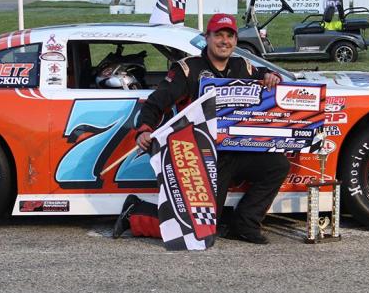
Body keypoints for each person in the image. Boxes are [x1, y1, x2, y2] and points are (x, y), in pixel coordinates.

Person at [112, 13, 290, 244]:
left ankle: (244, 223)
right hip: (203, 157)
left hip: (239, 150)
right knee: (202, 227)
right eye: (218, 35)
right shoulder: (188, 69)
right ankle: (136, 213)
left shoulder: (243, 66)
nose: (224, 41)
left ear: (235, 41)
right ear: (207, 37)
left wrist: (272, 76)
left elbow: (266, 77)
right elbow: (156, 102)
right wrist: (144, 130)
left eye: (229, 36)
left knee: (277, 165)